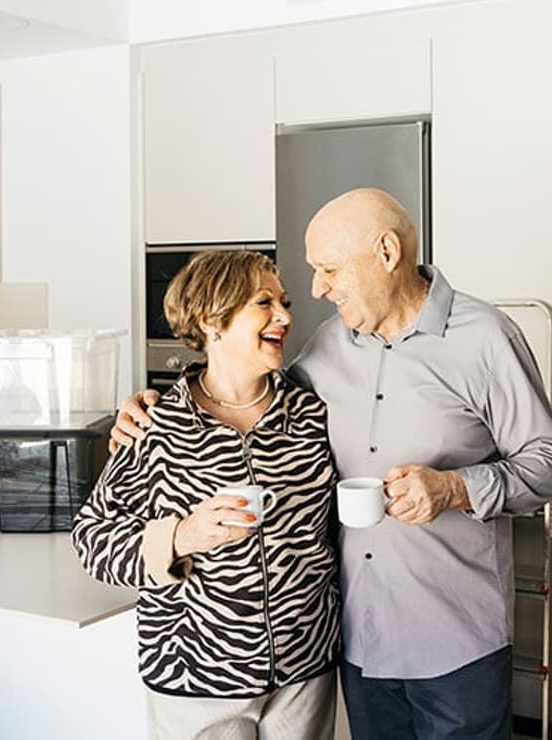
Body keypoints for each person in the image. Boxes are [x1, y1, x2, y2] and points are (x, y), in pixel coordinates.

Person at [113, 188, 552, 739]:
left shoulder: (486, 338)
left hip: (456, 638)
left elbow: (548, 465)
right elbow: (241, 391)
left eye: (329, 269)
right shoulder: (326, 347)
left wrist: (455, 488)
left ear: (386, 252)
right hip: (360, 642)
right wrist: (150, 406)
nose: (316, 290)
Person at [72, 250, 340, 740]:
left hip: (305, 671)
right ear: (211, 320)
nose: (285, 317)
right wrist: (181, 536)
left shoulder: (311, 412)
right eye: (264, 303)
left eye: (284, 303)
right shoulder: (156, 424)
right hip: (194, 675)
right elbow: (91, 540)